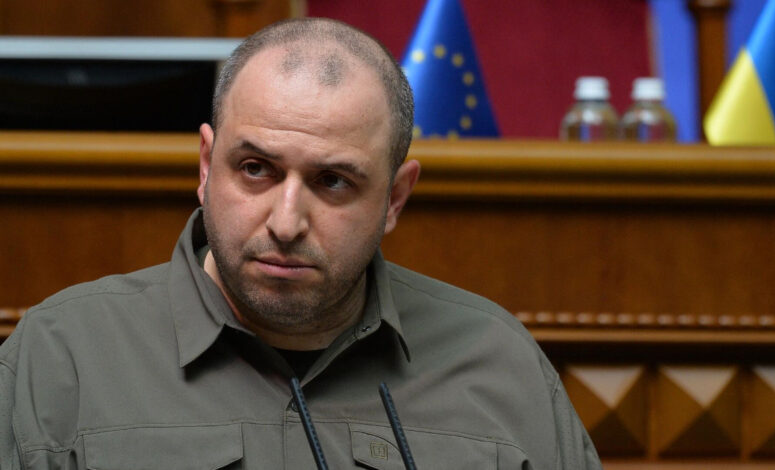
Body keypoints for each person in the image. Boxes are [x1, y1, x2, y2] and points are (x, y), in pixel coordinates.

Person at [0, 18, 601, 469]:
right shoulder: (62, 357)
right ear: (206, 166)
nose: (286, 223)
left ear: (395, 198)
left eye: (333, 181)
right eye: (255, 169)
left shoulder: (499, 365)